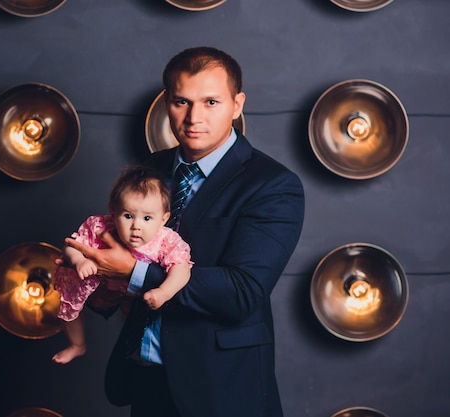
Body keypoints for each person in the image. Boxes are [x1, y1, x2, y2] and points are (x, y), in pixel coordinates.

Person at [64, 46, 305, 417]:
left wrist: (132, 272)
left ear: (237, 105)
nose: (194, 117)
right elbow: (127, 251)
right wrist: (89, 276)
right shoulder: (151, 169)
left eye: (211, 102)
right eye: (182, 102)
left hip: (220, 388)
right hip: (146, 378)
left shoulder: (272, 185)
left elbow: (243, 291)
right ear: (166, 103)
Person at [52, 165, 193, 364]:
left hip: (130, 290)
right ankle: (77, 345)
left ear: (163, 219)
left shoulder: (165, 240)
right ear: (113, 211)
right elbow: (70, 246)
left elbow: (182, 268)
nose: (136, 226)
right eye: (128, 216)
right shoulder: (100, 227)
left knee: (134, 314)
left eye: (147, 218)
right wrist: (79, 260)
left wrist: (164, 292)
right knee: (69, 309)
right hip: (93, 279)